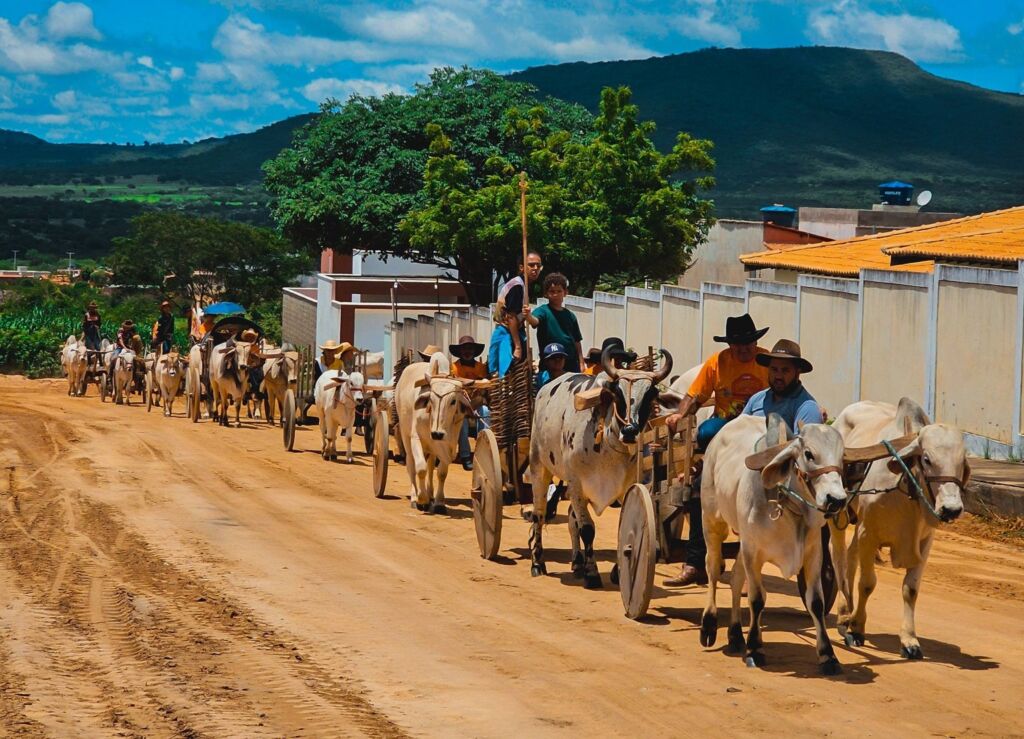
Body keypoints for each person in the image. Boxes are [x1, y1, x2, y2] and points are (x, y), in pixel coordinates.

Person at [664, 313, 770, 587]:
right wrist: (679, 415)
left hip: (762, 437)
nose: (744, 348)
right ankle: (696, 563)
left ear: (755, 342)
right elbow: (694, 396)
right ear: (730, 345)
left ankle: (752, 570)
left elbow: (790, 392)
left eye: (749, 342)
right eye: (738, 344)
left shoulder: (768, 362)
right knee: (701, 488)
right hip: (725, 436)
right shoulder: (718, 363)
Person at [741, 339, 823, 434]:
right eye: (774, 369)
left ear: (797, 372)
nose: (778, 376)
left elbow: (803, 447)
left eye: (785, 370)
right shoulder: (756, 400)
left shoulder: (807, 407)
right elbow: (739, 433)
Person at [492, 250, 543, 365]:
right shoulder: (517, 286)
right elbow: (511, 317)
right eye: (531, 265)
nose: (535, 268)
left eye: (538, 265)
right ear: (521, 267)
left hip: (514, 332)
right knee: (507, 369)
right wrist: (518, 346)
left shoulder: (524, 285)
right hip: (507, 334)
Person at [449, 335, 490, 471]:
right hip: (461, 404)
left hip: (477, 403)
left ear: (474, 351)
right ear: (460, 351)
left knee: (485, 411)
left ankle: (483, 450)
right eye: (465, 349)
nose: (467, 352)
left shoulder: (481, 367)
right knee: (462, 422)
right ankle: (465, 456)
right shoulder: (454, 367)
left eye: (470, 349)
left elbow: (485, 386)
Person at [531, 273, 586, 373]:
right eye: (552, 291)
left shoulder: (570, 315)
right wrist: (527, 316)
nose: (555, 294)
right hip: (550, 362)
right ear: (546, 294)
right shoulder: (543, 311)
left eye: (559, 291)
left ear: (565, 293)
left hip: (571, 363)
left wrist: (581, 362)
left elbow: (577, 341)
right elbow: (534, 322)